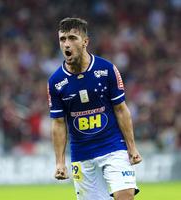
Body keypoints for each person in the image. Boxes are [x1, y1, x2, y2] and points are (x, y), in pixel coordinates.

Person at [47, 17, 142, 200]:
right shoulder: (56, 81)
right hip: (82, 154)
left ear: (85, 42)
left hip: (113, 147)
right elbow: (58, 123)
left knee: (125, 196)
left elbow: (121, 109)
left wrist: (132, 147)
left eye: (72, 38)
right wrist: (60, 162)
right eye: (62, 39)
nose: (66, 44)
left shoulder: (106, 70)